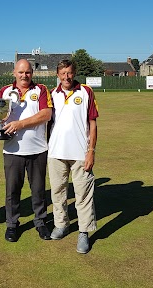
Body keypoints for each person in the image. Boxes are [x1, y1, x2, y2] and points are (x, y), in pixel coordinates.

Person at [0, 59, 53, 242]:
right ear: (14, 72)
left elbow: (46, 114)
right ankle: (12, 225)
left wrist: (20, 124)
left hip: (37, 149)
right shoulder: (5, 91)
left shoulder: (41, 90)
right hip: (13, 151)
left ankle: (41, 222)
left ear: (32, 73)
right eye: (21, 72)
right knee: (12, 191)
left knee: (38, 190)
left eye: (28, 72)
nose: (24, 75)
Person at [47, 59, 98, 254]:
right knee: (57, 192)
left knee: (83, 195)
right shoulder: (52, 94)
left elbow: (92, 124)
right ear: (58, 75)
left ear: (74, 72)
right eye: (62, 73)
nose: (66, 77)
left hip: (80, 154)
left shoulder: (85, 92)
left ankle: (84, 232)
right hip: (56, 153)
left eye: (69, 72)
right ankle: (61, 225)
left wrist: (91, 151)